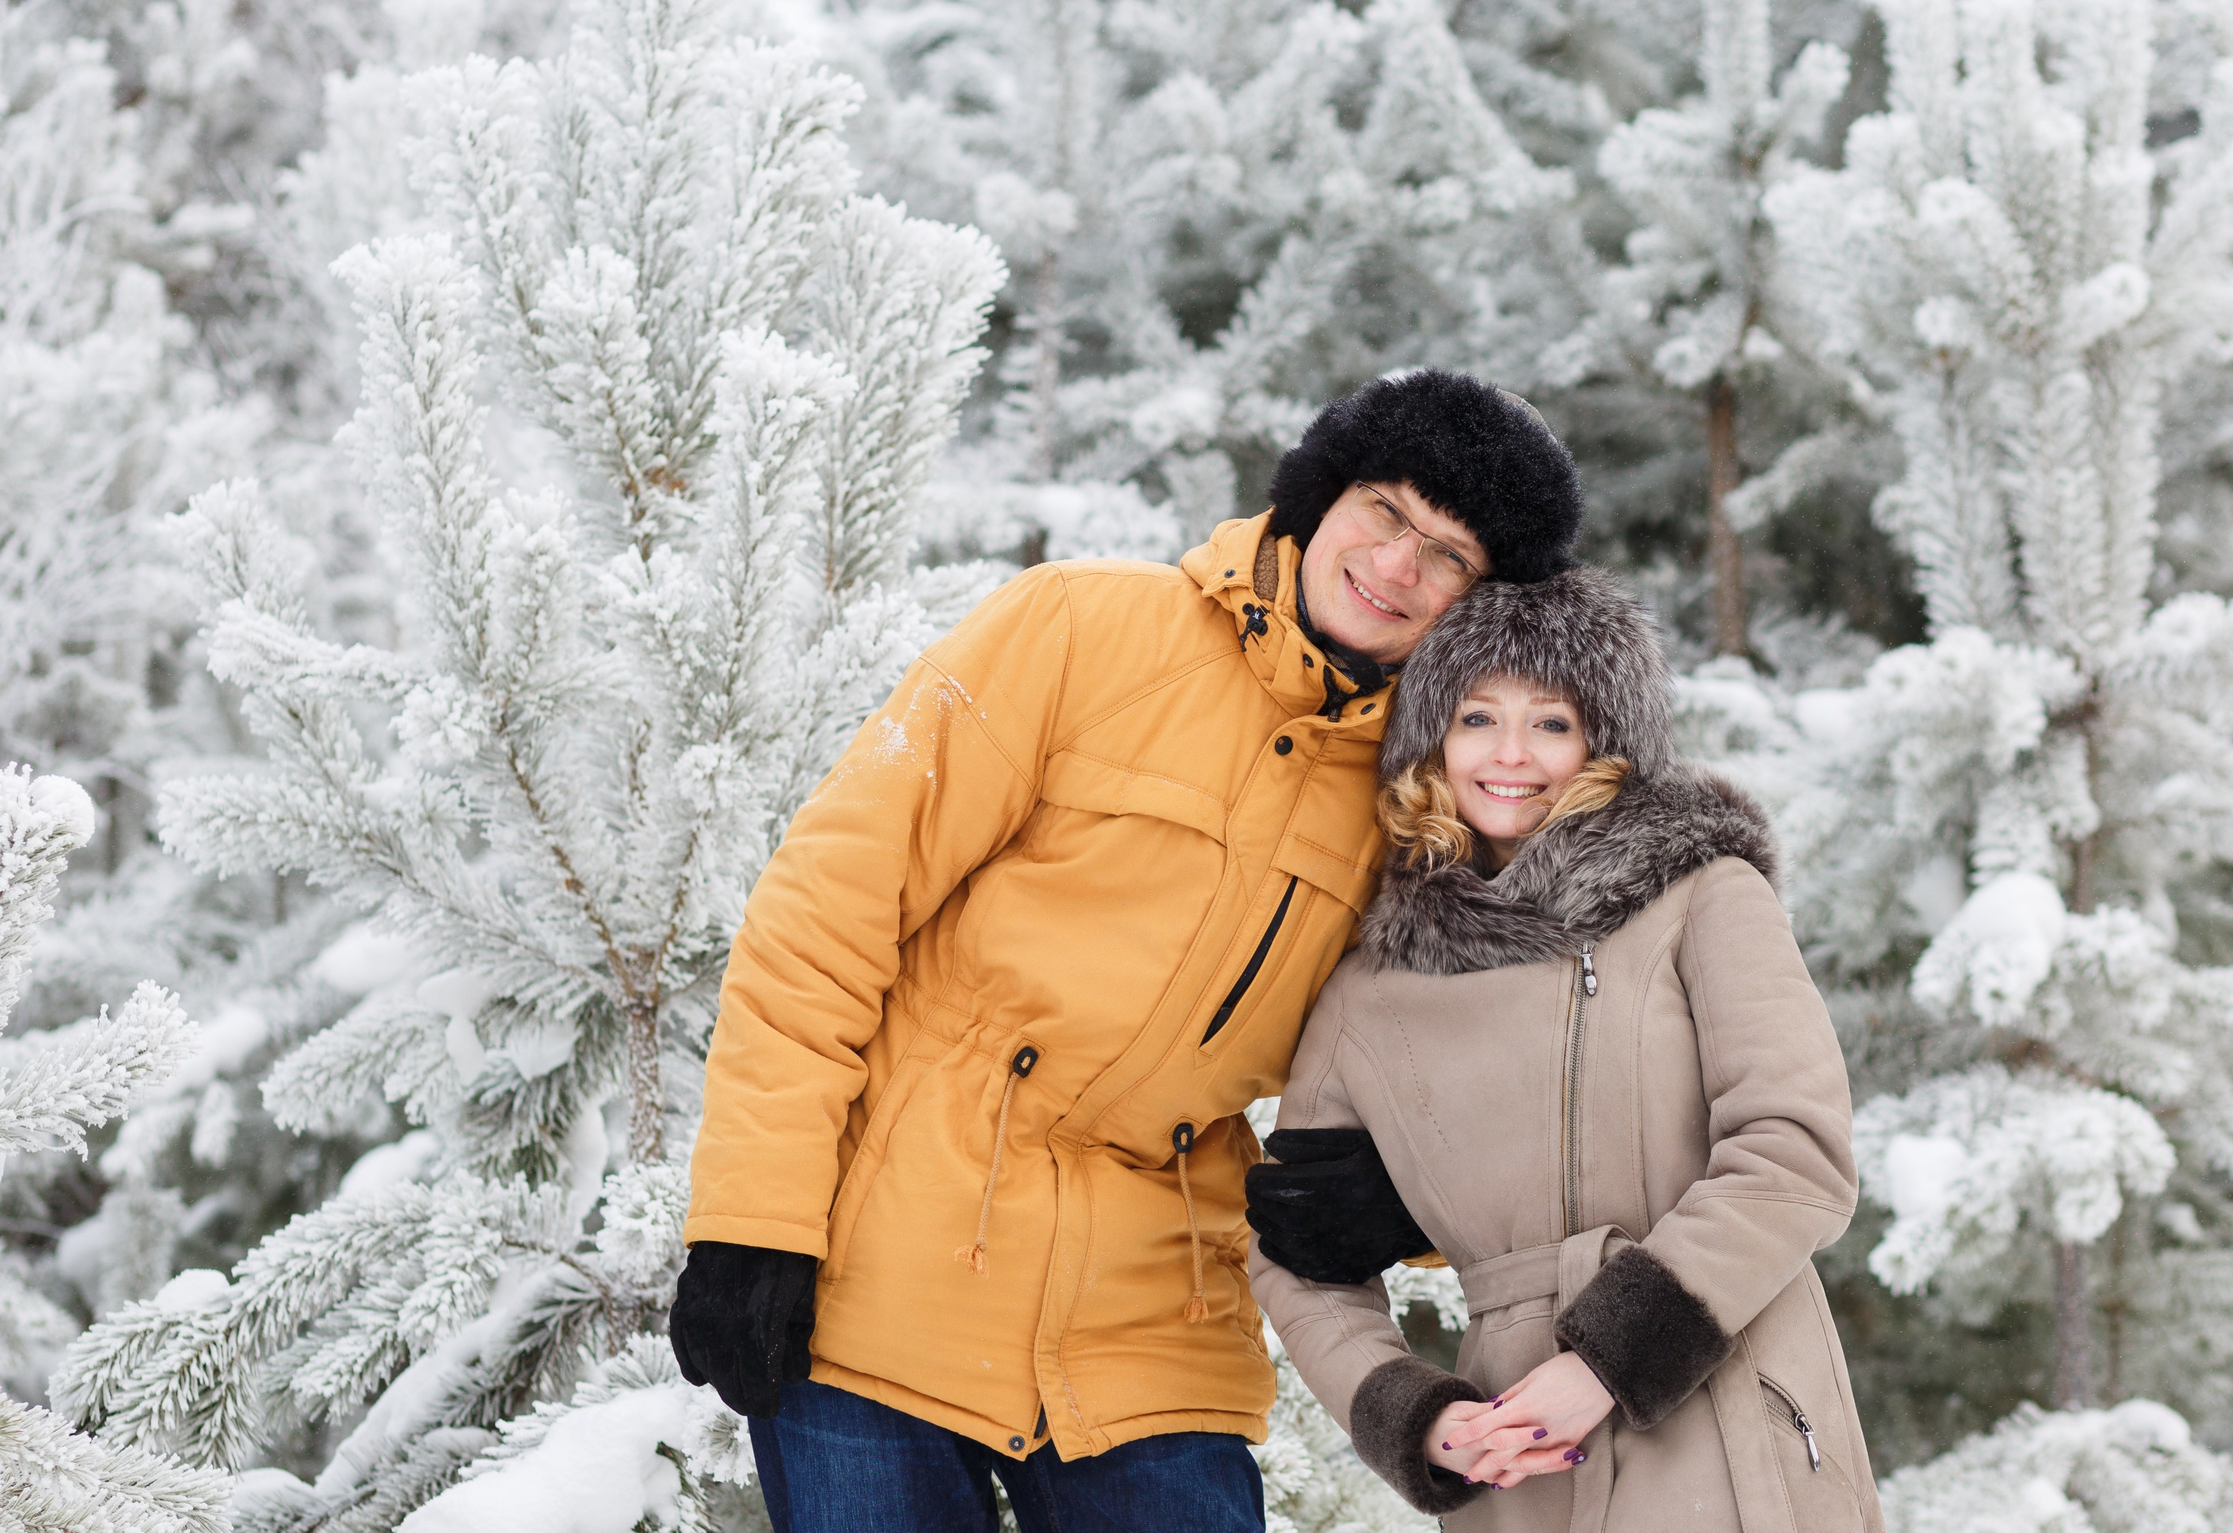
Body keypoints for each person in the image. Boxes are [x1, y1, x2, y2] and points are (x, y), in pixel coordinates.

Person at [670, 368, 1585, 1533]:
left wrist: (1401, 1203)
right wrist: (751, 1226)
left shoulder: (1433, 791)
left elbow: (1469, 1071)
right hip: (882, 1276)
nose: (1398, 565)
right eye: (1384, 511)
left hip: (1154, 1324)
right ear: (1322, 495)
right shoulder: (1077, 628)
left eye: (1448, 555)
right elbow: (822, 923)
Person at [1245, 568, 1884, 1531]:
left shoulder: (1702, 893)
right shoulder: (1367, 990)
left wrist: (1606, 1364)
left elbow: (1796, 1154)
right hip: (1516, 1454)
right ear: (1430, 739)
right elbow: (1301, 1253)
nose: (1512, 754)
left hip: (1727, 1400)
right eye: (1477, 718)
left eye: (1551, 721)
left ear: (1603, 741)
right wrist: (1419, 1420)